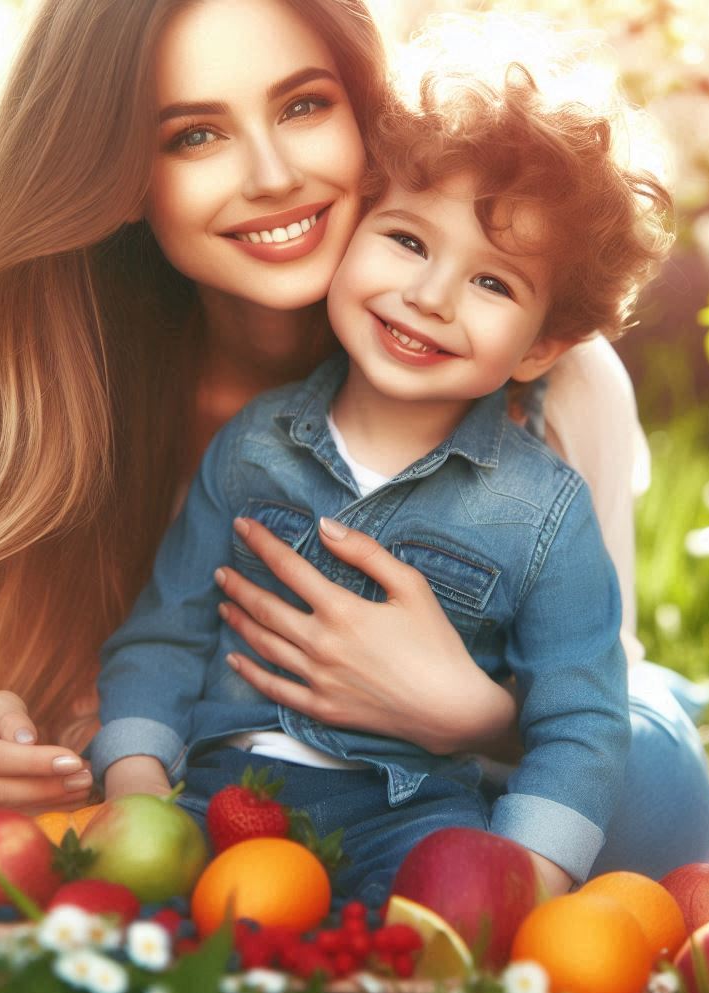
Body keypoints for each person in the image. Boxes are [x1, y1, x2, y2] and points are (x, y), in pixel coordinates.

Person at [0, 0, 709, 876]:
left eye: (303, 105)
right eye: (195, 135)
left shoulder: (553, 383)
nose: (272, 177)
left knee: (654, 793)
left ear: (367, 117)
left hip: (452, 771)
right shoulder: (75, 376)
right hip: (220, 738)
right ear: (118, 176)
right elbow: (117, 666)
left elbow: (590, 697)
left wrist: (477, 716)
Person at [91, 49, 676, 903]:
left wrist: (523, 879)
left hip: (408, 819)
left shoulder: (545, 513)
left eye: (492, 282)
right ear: (352, 229)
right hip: (222, 792)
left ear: (542, 348)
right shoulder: (254, 445)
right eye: (406, 240)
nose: (431, 296)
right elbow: (165, 634)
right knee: (134, 929)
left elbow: (581, 722)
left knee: (428, 936)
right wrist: (136, 782)